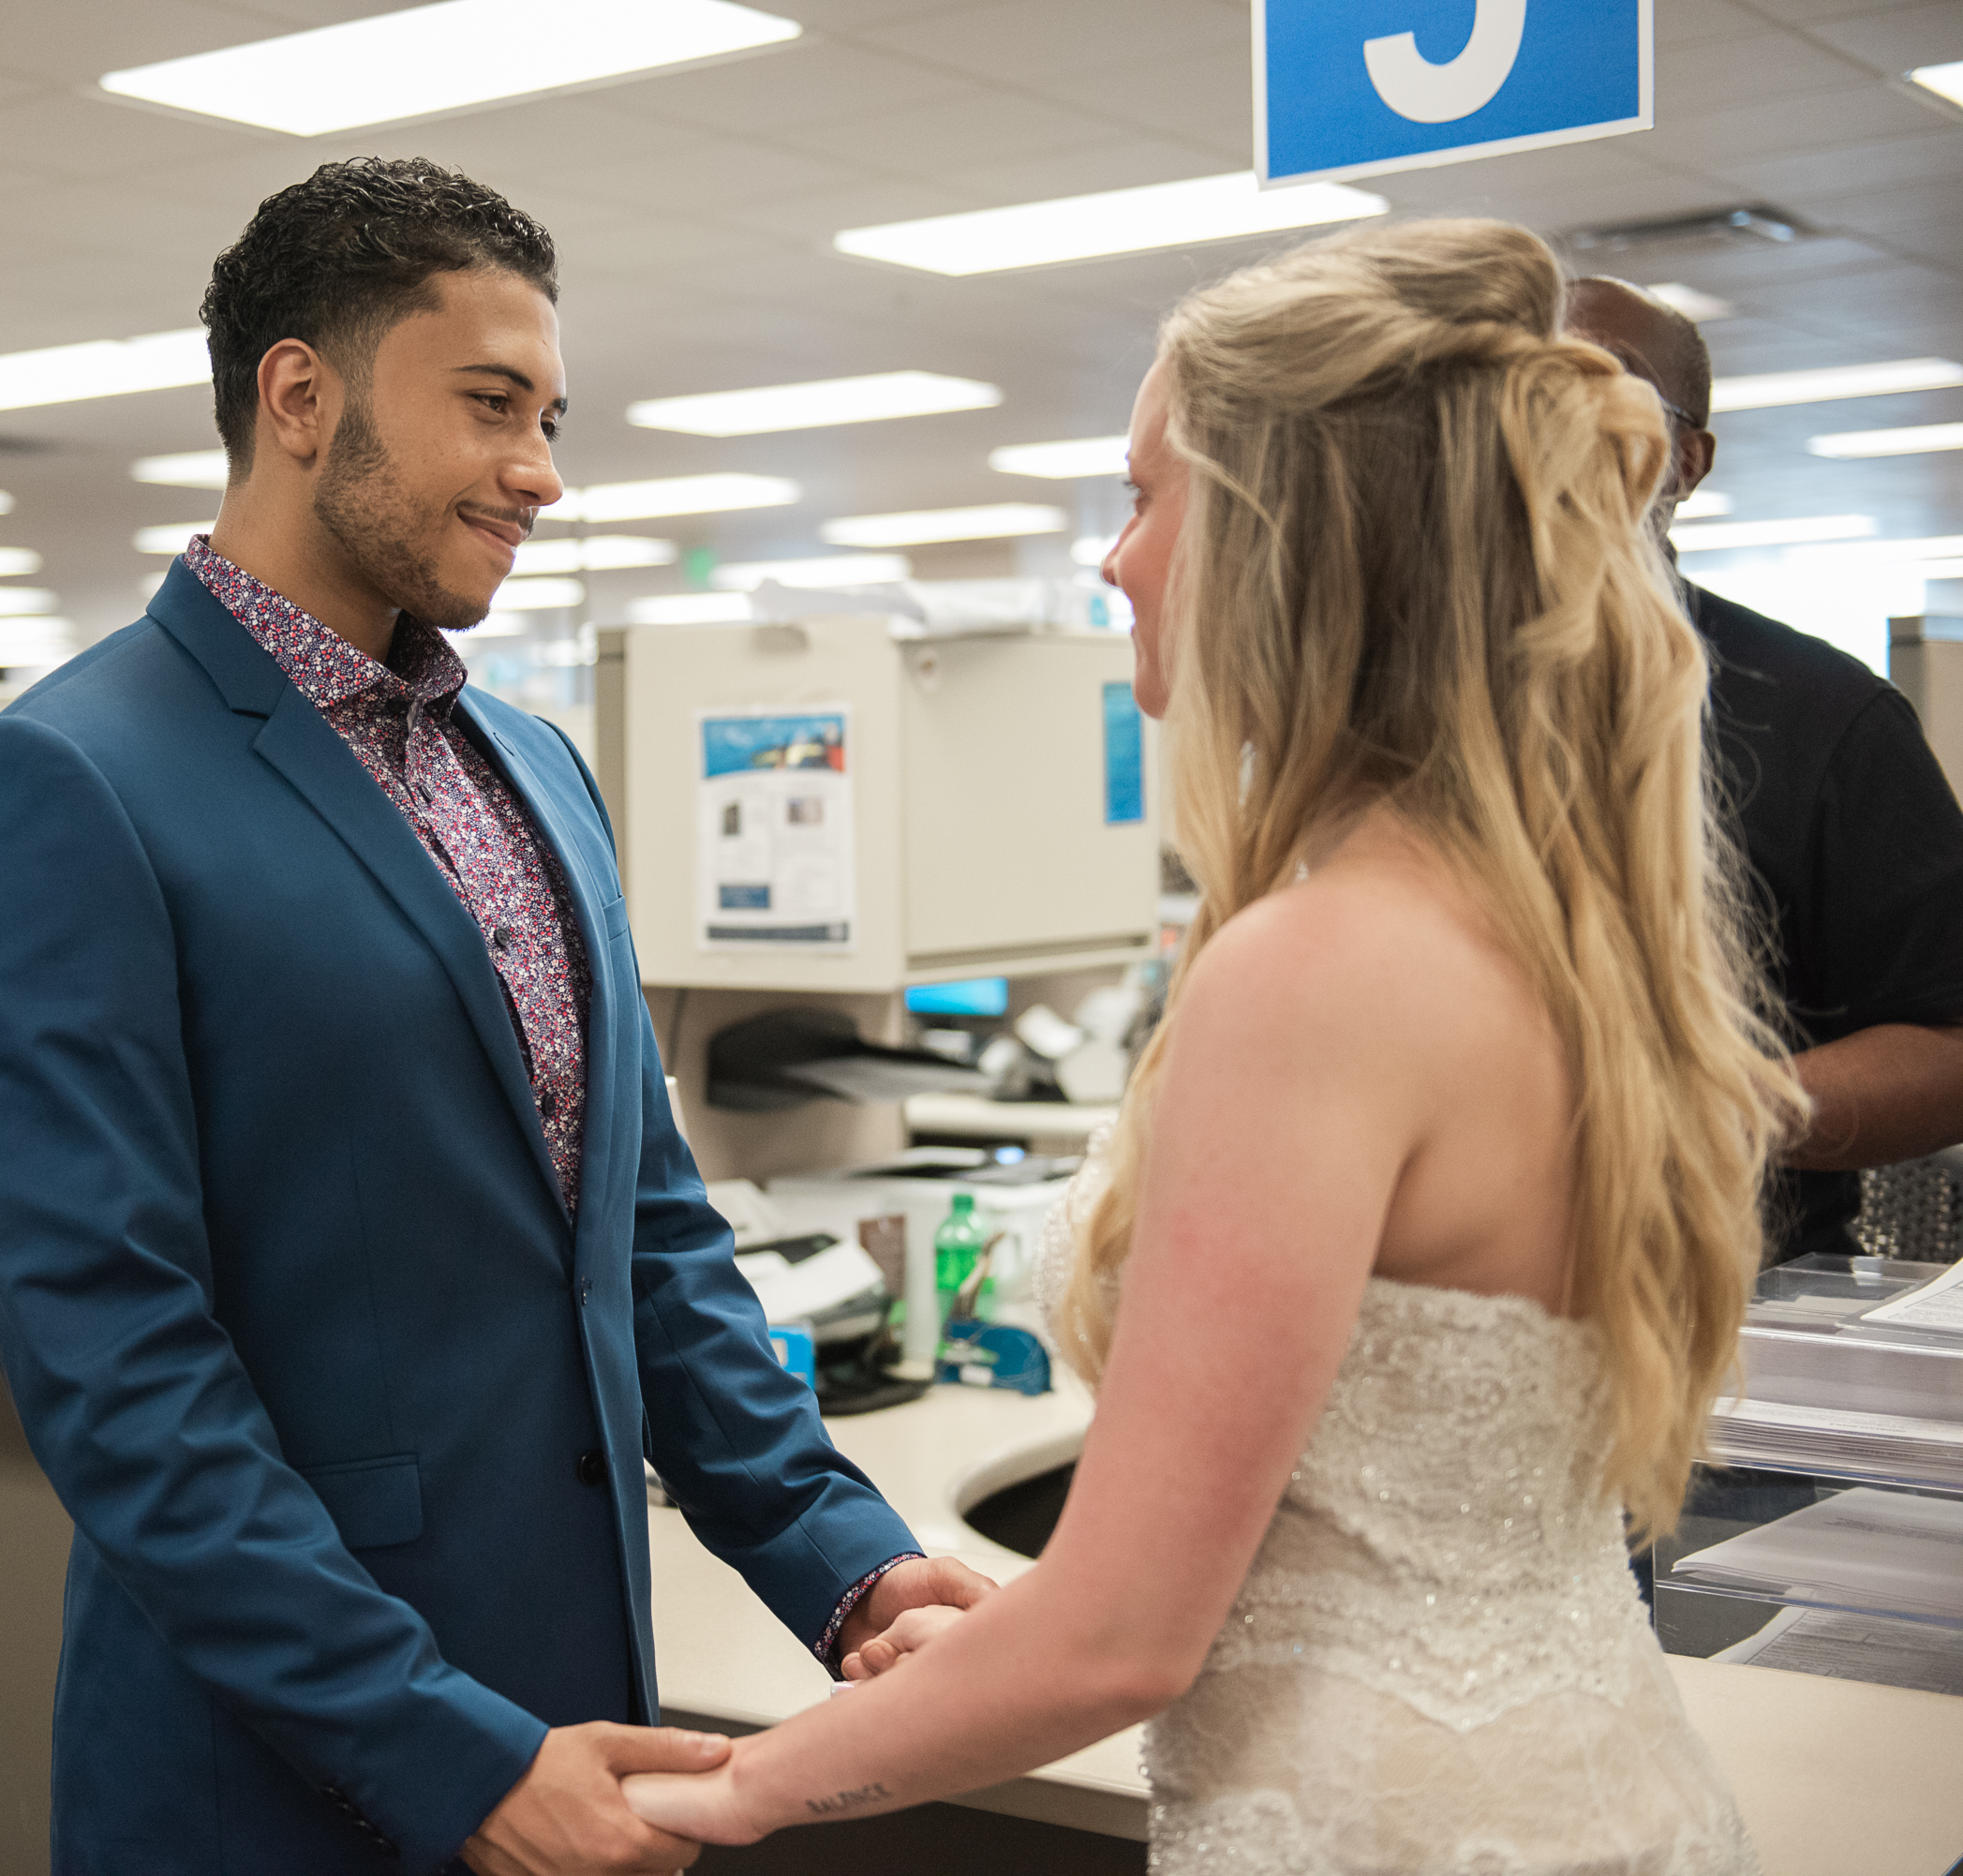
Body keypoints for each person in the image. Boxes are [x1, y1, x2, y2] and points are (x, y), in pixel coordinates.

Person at [624, 218, 1804, 1872]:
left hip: (1377, 1826)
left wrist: (733, 1788)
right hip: (1595, 1785)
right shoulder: (1557, 926)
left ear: (1283, 535)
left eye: (1141, 495)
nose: (1112, 560)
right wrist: (1022, 1631)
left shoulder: (1314, 969)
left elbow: (1125, 1641)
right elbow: (1322, 1550)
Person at [0, 156, 986, 1876]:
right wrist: (443, 1746)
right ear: (299, 395)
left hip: (580, 1703)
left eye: (552, 412)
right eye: (490, 406)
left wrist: (845, 1561)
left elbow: (640, 1232)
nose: (543, 471)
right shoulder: (59, 783)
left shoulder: (536, 770)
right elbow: (122, 1374)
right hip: (277, 1767)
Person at [1569, 276, 1963, 1263]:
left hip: (1727, 1321)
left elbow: (1948, 1045)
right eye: (1517, 388)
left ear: (1687, 461)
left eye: (1604, 389)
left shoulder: (1824, 717)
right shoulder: (1400, 700)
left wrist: (1708, 1110)